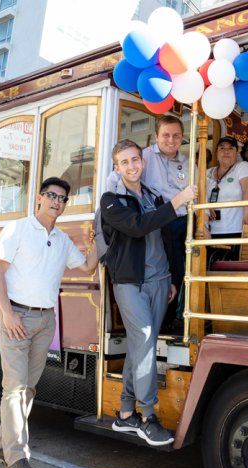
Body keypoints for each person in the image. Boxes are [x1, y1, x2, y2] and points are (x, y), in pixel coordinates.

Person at [0, 177, 98, 468]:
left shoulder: (62, 240)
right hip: (16, 317)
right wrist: (8, 314)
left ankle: (3, 447)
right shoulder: (18, 228)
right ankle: (17, 459)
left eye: (62, 199)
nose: (56, 202)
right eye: (51, 196)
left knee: (27, 388)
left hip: (45, 320)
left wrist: (103, 237)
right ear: (39, 198)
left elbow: (87, 266)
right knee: (14, 388)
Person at [100, 140, 196, 446]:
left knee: (142, 345)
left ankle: (125, 413)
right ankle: (147, 416)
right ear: (117, 167)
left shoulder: (153, 195)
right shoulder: (111, 200)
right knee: (143, 340)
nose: (131, 166)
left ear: (143, 162)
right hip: (130, 283)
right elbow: (139, 227)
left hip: (159, 279)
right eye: (124, 162)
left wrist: (170, 278)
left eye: (135, 160)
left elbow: (165, 238)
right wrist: (178, 201)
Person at [108, 115, 189, 330]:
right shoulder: (142, 156)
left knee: (182, 267)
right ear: (156, 136)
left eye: (176, 135)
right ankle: (168, 320)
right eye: (166, 135)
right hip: (155, 219)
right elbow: (115, 181)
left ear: (182, 137)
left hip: (181, 219)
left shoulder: (187, 161)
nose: (171, 140)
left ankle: (177, 316)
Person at [204, 136, 248, 260]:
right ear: (216, 152)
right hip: (211, 232)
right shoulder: (207, 173)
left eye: (230, 148)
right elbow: (198, 195)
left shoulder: (242, 166)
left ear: (236, 152)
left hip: (237, 230)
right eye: (222, 148)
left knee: (232, 271)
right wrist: (207, 209)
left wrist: (246, 217)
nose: (226, 151)